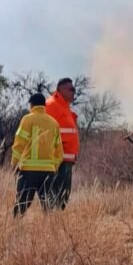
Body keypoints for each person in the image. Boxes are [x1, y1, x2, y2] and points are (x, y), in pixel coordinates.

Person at [11, 93, 64, 216]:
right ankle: (49, 231)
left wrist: (14, 163)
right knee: (48, 206)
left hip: (28, 171)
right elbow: (59, 150)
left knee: (21, 205)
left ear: (31, 105)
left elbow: (19, 144)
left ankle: (15, 228)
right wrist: (54, 166)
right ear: (44, 105)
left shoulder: (27, 119)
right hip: (48, 171)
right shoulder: (54, 123)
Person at [46, 78, 80, 210]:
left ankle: (57, 221)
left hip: (66, 159)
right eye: (70, 89)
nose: (73, 92)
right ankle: (50, 221)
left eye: (74, 89)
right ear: (60, 89)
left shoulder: (64, 106)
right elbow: (46, 133)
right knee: (54, 194)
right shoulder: (51, 105)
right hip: (57, 159)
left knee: (63, 195)